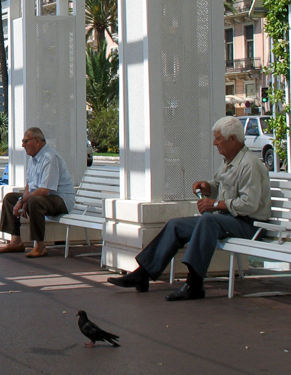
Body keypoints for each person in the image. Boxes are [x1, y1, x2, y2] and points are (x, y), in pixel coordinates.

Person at [107, 116, 271, 301]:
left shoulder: (250, 165)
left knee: (208, 220)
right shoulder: (228, 161)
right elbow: (219, 184)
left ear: (232, 139)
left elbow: (249, 204)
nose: (214, 143)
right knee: (176, 225)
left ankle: (194, 284)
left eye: (218, 138)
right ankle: (142, 274)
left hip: (251, 224)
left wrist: (215, 204)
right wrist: (208, 187)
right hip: (229, 219)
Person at [0, 127, 75, 258]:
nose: (23, 145)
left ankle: (40, 246)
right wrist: (23, 200)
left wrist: (23, 201)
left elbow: (44, 190)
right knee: (10, 198)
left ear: (37, 141)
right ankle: (15, 241)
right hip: (43, 197)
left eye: (26, 141)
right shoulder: (33, 158)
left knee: (35, 201)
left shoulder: (50, 157)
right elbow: (29, 185)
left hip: (61, 199)